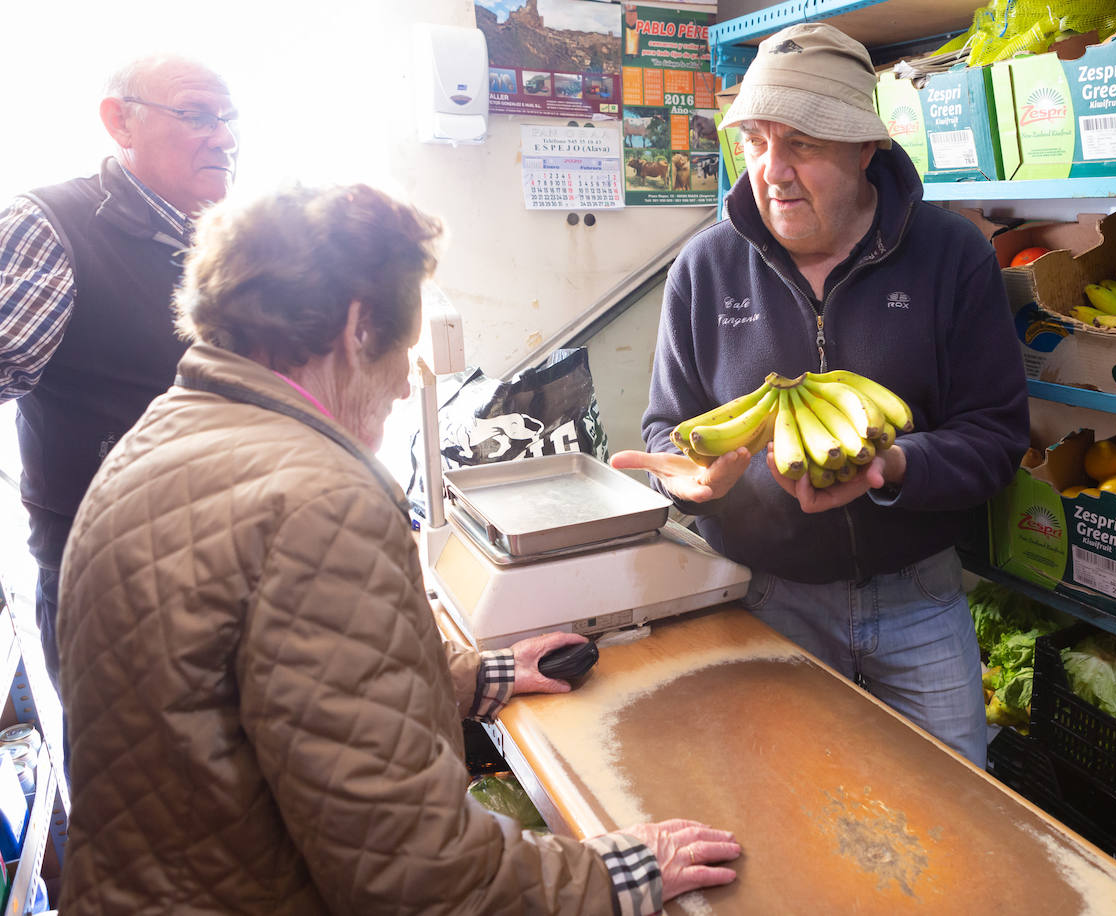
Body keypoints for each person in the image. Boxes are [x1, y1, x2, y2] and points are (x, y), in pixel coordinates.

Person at [56, 184, 740, 914]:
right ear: (358, 327)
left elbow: (273, 688)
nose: (396, 387)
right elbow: (423, 880)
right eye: (406, 352)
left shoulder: (156, 440)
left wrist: (473, 678)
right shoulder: (321, 503)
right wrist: (614, 874)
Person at [611, 23, 1029, 768]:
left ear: (867, 148)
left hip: (921, 601)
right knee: (792, 816)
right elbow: (671, 426)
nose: (773, 171)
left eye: (801, 143)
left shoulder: (952, 256)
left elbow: (996, 438)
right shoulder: (705, 269)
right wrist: (695, 486)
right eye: (757, 141)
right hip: (767, 598)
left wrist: (894, 466)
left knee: (961, 810)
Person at [0, 54, 238, 690]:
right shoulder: (52, 226)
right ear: (120, 123)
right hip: (113, 575)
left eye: (227, 119)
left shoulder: (221, 238)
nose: (224, 137)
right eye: (196, 116)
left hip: (222, 553)